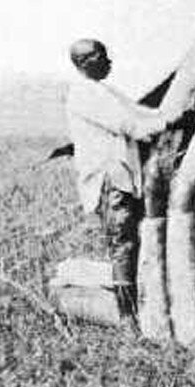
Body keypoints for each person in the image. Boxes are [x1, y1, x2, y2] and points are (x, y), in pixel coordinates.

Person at [66, 39, 175, 324]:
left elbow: (140, 112)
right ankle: (128, 317)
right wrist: (170, 121)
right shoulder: (84, 94)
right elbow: (131, 125)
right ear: (84, 62)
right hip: (109, 181)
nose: (108, 60)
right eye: (101, 56)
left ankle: (136, 309)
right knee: (123, 243)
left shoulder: (104, 91)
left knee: (131, 241)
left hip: (122, 179)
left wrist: (170, 113)